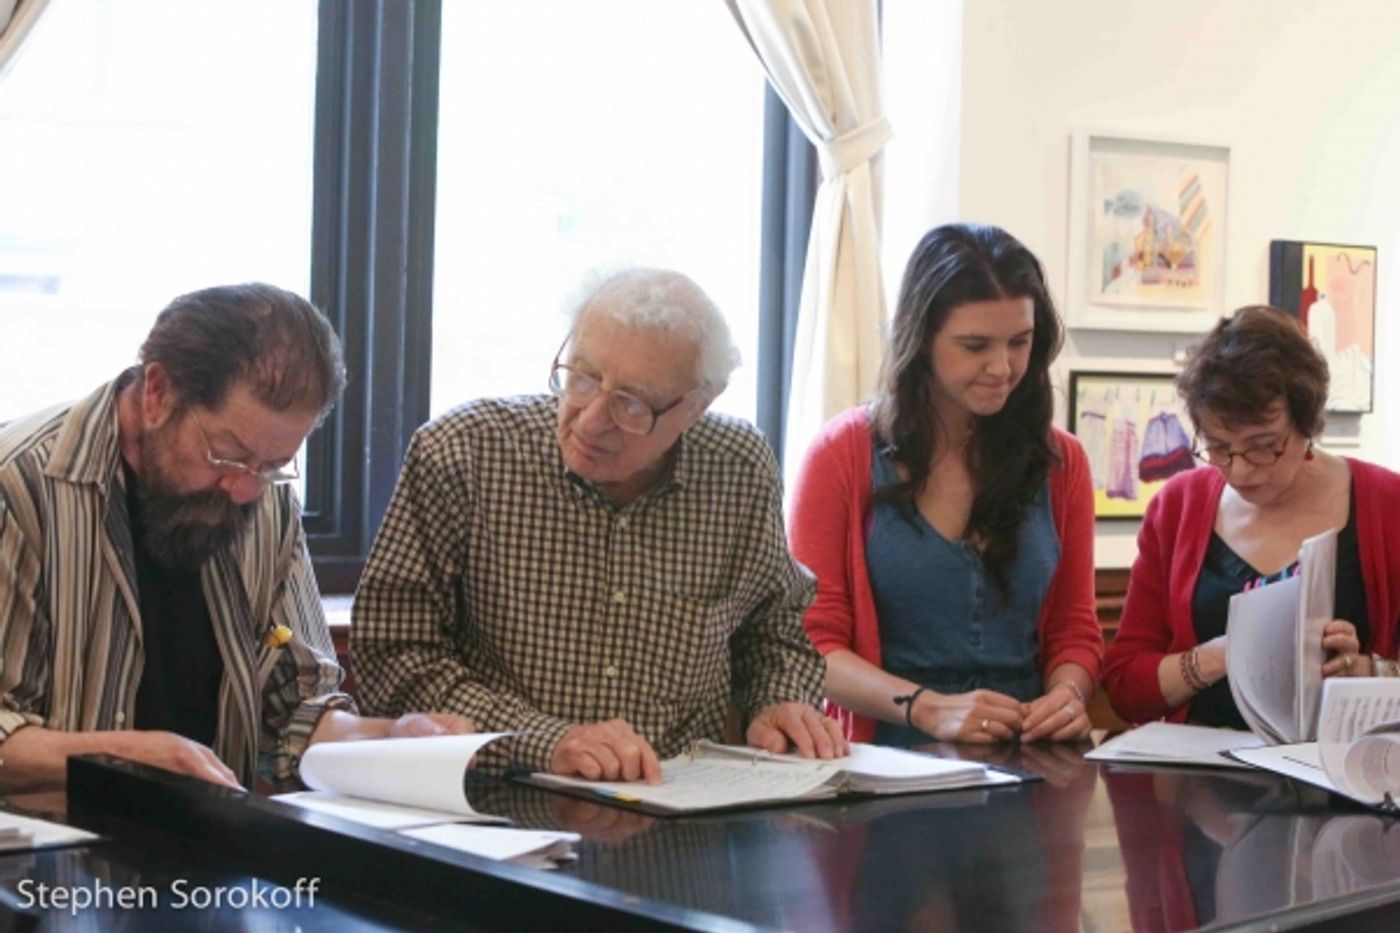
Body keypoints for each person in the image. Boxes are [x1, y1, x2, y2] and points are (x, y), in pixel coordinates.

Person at [352, 268, 845, 783]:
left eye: (632, 403)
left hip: (678, 811)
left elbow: (774, 631)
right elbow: (393, 656)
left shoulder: (738, 467)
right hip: (497, 801)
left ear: (699, 405)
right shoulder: (464, 453)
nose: (589, 420)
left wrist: (780, 701)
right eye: (583, 376)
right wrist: (544, 741)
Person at [0, 284, 472, 793]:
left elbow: (296, 713)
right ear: (158, 394)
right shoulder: (20, 487)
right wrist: (127, 753)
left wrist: (391, 738)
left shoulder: (266, 502)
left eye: (272, 466)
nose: (245, 488)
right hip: (49, 857)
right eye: (228, 454)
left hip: (216, 850)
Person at [789, 223, 1102, 746]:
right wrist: (926, 708)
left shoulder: (1063, 462)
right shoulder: (840, 455)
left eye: (1019, 343)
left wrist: (1067, 695)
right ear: (922, 340)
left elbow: (1076, 629)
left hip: (1029, 758)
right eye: (975, 345)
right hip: (887, 759)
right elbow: (812, 644)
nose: (1002, 368)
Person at [1102, 305, 1400, 727]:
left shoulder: (1389, 505)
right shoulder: (1177, 508)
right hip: (1198, 779)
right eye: (1219, 447)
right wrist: (1217, 658)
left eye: (1264, 445)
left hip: (1341, 777)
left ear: (1307, 422)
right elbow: (1125, 687)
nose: (1240, 470)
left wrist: (1369, 672)